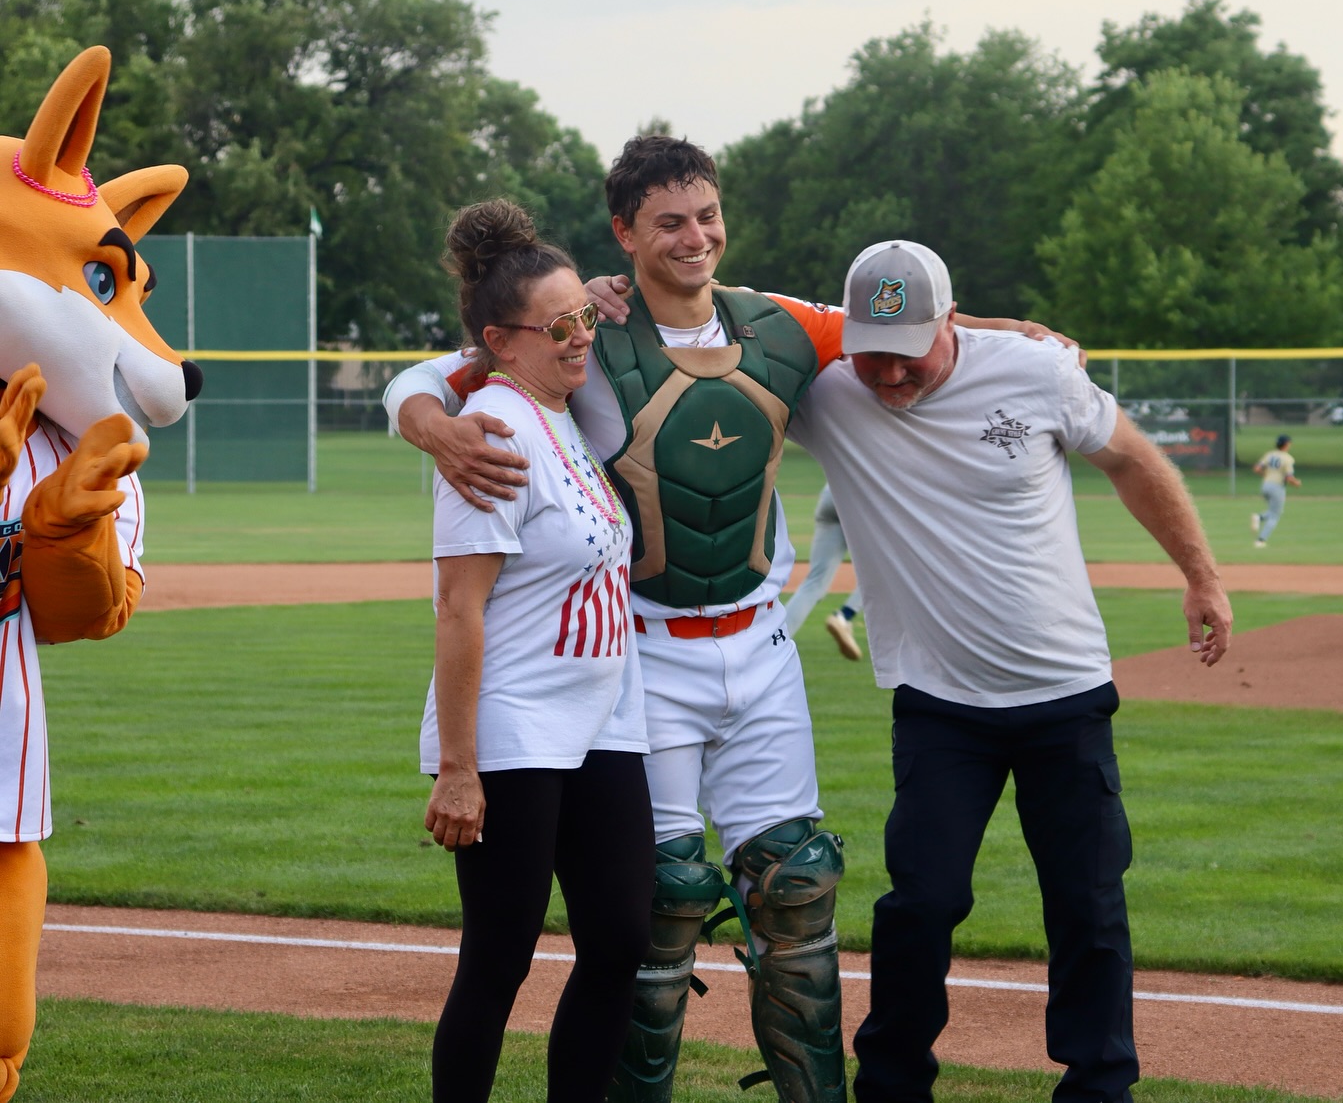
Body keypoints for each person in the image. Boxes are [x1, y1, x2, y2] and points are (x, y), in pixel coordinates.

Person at [385, 136, 1073, 1103]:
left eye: (706, 214)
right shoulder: (583, 338)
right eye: (668, 221)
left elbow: (910, 329)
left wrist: (1017, 333)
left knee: (796, 886)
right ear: (623, 234)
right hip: (642, 656)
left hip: (758, 644)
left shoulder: (779, 327)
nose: (695, 236)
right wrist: (431, 424)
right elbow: (425, 378)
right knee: (656, 910)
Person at [786, 240, 1233, 1103]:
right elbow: (709, 300)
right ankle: (891, 1085)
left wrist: (1202, 574)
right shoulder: (829, 385)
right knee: (921, 904)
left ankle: (1100, 1088)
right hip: (938, 707)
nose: (886, 375)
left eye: (907, 353)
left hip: (1064, 695)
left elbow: (1134, 461)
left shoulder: (1036, 374)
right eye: (869, 352)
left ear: (948, 322)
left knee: (1089, 908)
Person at [419, 200, 652, 1103]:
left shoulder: (567, 420)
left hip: (602, 723)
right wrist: (458, 767)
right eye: (557, 326)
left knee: (622, 940)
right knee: (500, 958)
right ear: (498, 342)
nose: (578, 338)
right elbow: (458, 608)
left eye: (583, 318)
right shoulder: (496, 431)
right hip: (512, 730)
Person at [784, 481, 866, 661]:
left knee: (814, 583)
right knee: (881, 574)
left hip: (831, 494)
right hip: (864, 499)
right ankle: (844, 617)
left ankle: (776, 642)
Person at [1251, 434, 1300, 548]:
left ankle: (1259, 518)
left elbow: (1257, 468)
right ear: (1286, 444)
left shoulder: (1269, 454)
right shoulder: (1287, 458)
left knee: (1274, 511)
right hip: (1277, 487)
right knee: (1275, 516)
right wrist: (1296, 483)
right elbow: (1288, 477)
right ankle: (1261, 540)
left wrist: (1265, 475)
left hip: (1265, 485)